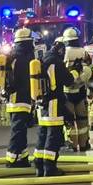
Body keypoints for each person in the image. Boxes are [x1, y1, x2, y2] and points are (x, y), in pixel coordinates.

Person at [34, 37, 74, 176]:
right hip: (54, 103)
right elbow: (69, 81)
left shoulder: (43, 59)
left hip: (42, 104)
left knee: (42, 135)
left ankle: (39, 166)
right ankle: (50, 168)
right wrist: (75, 71)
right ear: (60, 49)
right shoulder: (56, 62)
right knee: (54, 136)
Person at [0, 28, 36, 167]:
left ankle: (23, 157)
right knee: (17, 129)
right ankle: (12, 159)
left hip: (19, 98)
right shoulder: (23, 58)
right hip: (19, 99)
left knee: (21, 129)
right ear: (27, 42)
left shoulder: (14, 56)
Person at [61, 28, 93, 151]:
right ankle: (84, 144)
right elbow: (91, 70)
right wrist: (91, 87)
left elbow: (61, 73)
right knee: (82, 119)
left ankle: (72, 144)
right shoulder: (83, 52)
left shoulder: (64, 53)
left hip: (67, 92)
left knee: (69, 120)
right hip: (81, 91)